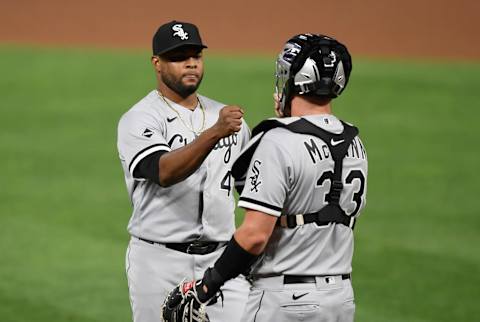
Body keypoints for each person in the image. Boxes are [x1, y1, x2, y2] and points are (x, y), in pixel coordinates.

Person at [162, 33, 368, 322]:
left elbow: (255, 235)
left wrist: (205, 288)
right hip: (341, 298)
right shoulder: (353, 141)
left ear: (295, 79)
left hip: (286, 302)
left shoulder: (278, 140)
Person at [116, 20, 250, 322]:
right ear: (157, 63)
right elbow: (163, 171)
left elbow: (254, 190)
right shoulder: (140, 119)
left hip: (221, 263)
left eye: (196, 56)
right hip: (159, 262)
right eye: (178, 57)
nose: (190, 63)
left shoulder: (226, 117)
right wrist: (214, 133)